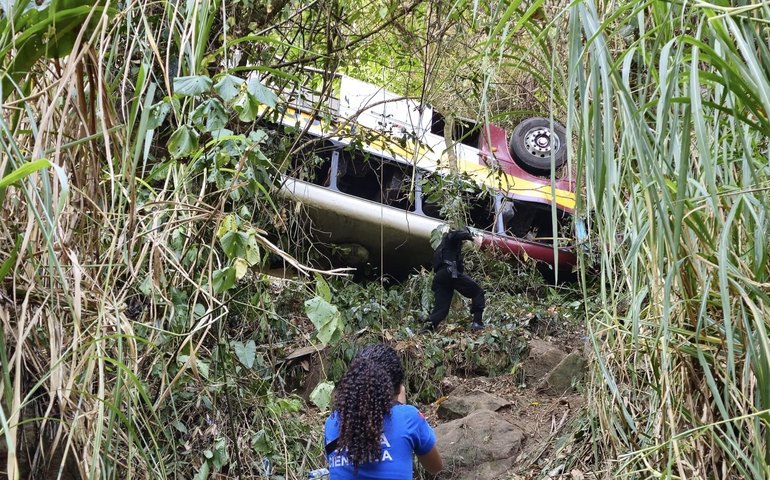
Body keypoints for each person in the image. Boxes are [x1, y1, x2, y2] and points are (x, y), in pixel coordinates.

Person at [324, 344, 442, 479]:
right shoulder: (409, 417)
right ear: (398, 389)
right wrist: (400, 407)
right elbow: (435, 467)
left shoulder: (332, 422)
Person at [425, 226, 485, 331]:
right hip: (450, 273)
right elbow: (457, 234)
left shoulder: (445, 247)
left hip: (440, 277)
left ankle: (427, 329)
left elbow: (459, 268)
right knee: (477, 292)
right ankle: (477, 323)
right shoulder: (451, 237)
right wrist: (472, 238)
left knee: (441, 310)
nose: (464, 242)